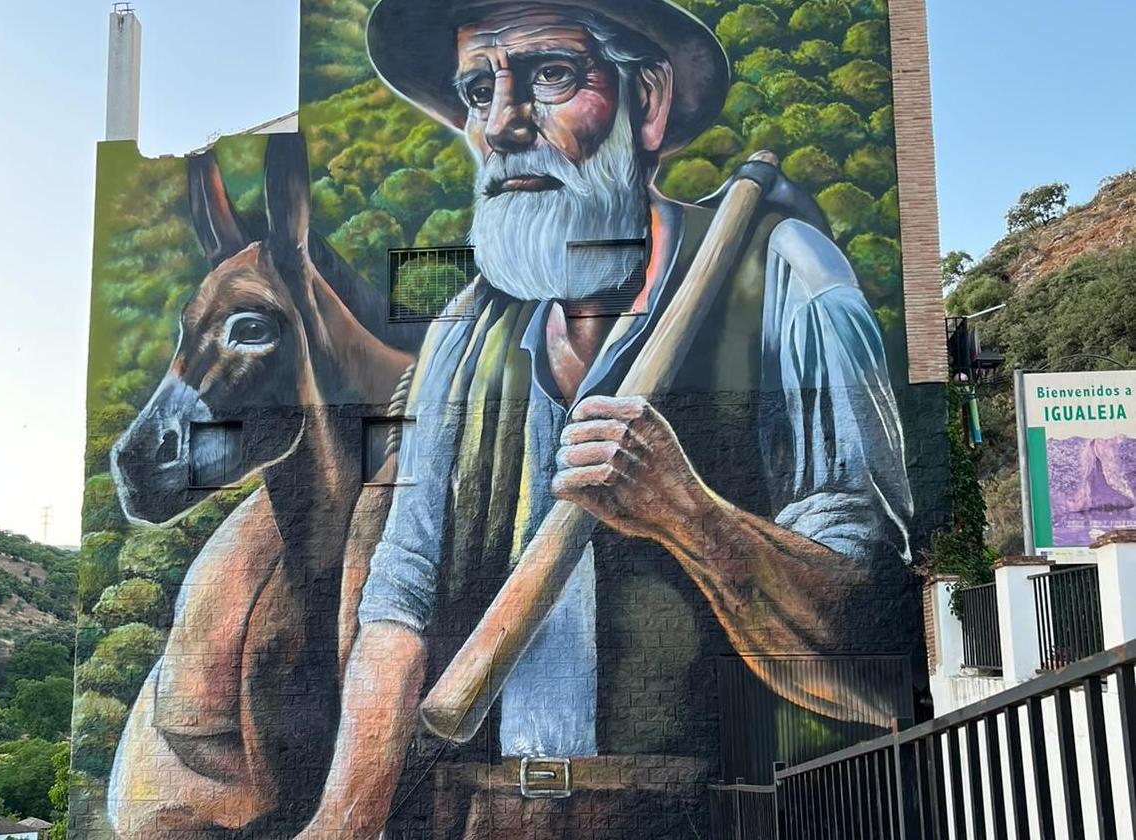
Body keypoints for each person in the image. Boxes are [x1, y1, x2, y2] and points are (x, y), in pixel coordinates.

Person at [298, 0, 916, 836]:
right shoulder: (464, 335)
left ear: (649, 100)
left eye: (550, 75)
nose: (504, 122)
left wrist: (692, 518)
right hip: (493, 816)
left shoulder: (784, 283)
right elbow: (397, 606)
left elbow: (870, 652)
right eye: (478, 91)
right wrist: (344, 821)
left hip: (723, 817)